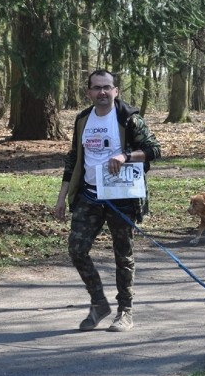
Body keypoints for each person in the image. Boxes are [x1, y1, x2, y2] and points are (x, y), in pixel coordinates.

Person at [54, 69, 161, 332]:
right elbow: (73, 159)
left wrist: (125, 156)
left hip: (121, 197)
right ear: (89, 92)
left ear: (116, 91)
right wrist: (61, 197)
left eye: (107, 87)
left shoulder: (129, 119)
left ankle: (125, 310)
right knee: (77, 250)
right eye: (96, 87)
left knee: (123, 255)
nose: (102, 92)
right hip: (89, 196)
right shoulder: (82, 119)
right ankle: (99, 303)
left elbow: (153, 150)